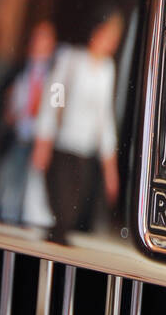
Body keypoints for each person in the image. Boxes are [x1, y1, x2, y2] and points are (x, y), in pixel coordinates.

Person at [31, 12, 123, 240]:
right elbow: (55, 95)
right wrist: (45, 136)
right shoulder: (71, 59)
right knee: (58, 204)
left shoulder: (106, 70)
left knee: (73, 206)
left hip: (85, 148)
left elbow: (104, 116)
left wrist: (109, 164)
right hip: (64, 143)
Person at [0, 22, 57, 223]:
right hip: (18, 133)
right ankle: (6, 211)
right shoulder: (18, 71)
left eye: (43, 40)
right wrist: (8, 112)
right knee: (10, 178)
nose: (38, 45)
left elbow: (59, 107)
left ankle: (26, 216)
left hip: (40, 137)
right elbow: (2, 99)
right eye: (36, 40)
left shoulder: (55, 75)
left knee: (33, 185)